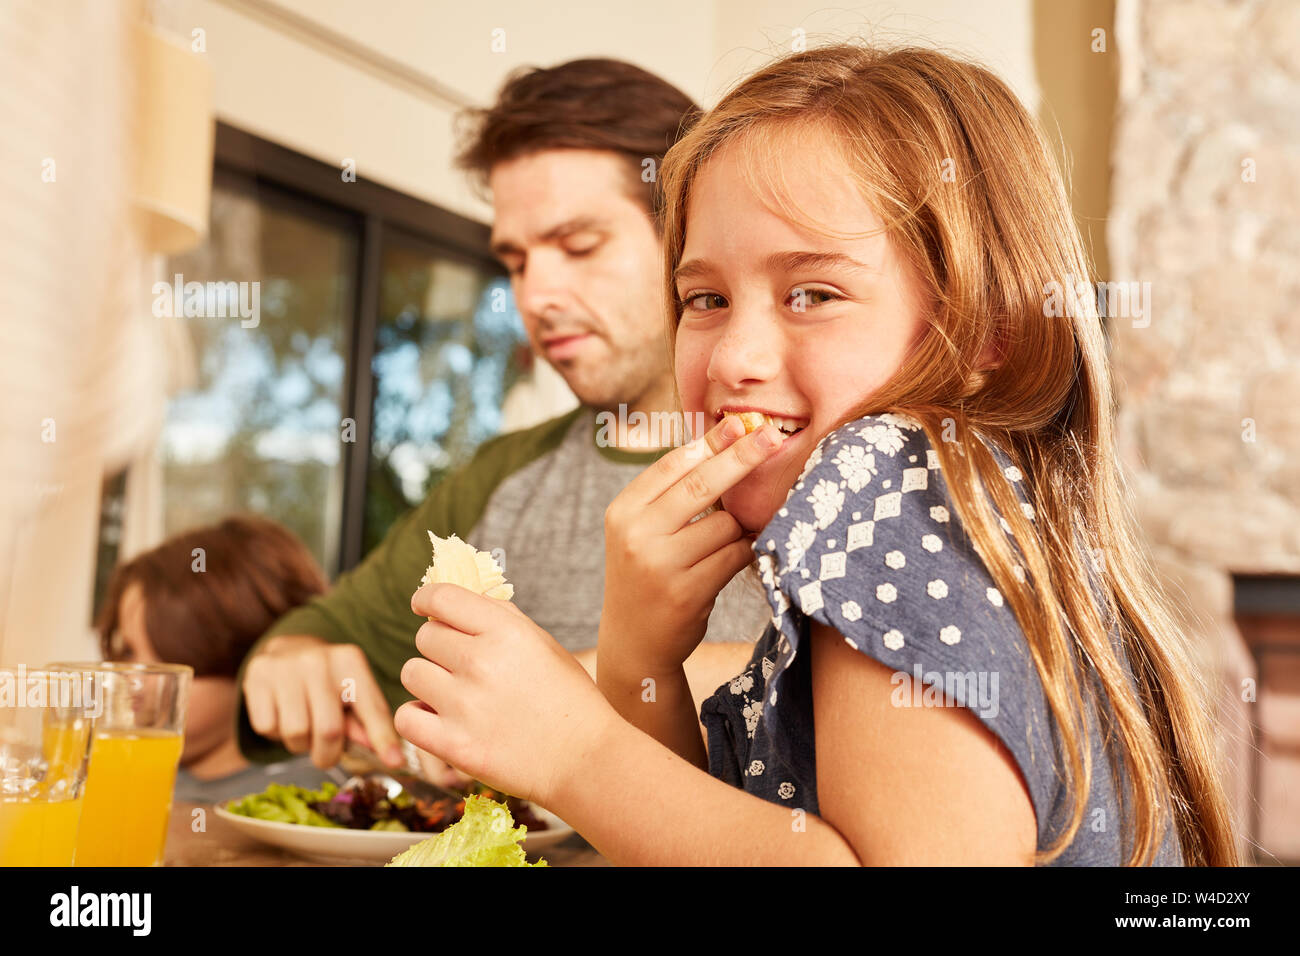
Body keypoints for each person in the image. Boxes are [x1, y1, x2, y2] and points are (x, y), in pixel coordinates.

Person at [394, 43, 1239, 865]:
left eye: (813, 294)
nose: (733, 359)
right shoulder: (956, 495)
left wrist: (574, 754)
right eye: (706, 298)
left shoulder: (890, 475)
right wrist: (637, 657)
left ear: (987, 331)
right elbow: (700, 839)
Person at [237, 59, 771, 780]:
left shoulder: (798, 456)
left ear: (687, 235)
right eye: (517, 261)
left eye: (579, 246)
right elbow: (320, 638)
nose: (537, 294)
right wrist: (290, 662)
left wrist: (568, 688)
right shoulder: (504, 475)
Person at [96, 515, 335, 803]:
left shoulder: (310, 798)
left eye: (171, 656)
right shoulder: (119, 777)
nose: (134, 681)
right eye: (129, 652)